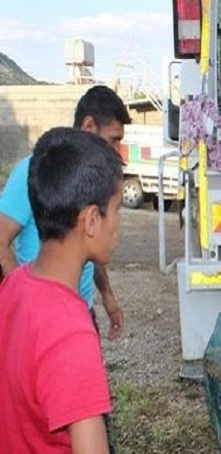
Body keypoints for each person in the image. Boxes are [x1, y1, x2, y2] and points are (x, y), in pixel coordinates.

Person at [0, 128, 155, 454]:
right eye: (117, 210)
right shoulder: (70, 331)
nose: (118, 225)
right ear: (90, 220)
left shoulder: (16, 287)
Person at [0, 85, 129, 339]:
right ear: (90, 126)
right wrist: (25, 296)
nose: (116, 151)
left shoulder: (89, 180)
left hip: (80, 310)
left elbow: (89, 242)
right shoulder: (37, 171)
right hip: (42, 319)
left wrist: (107, 296)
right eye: (113, 139)